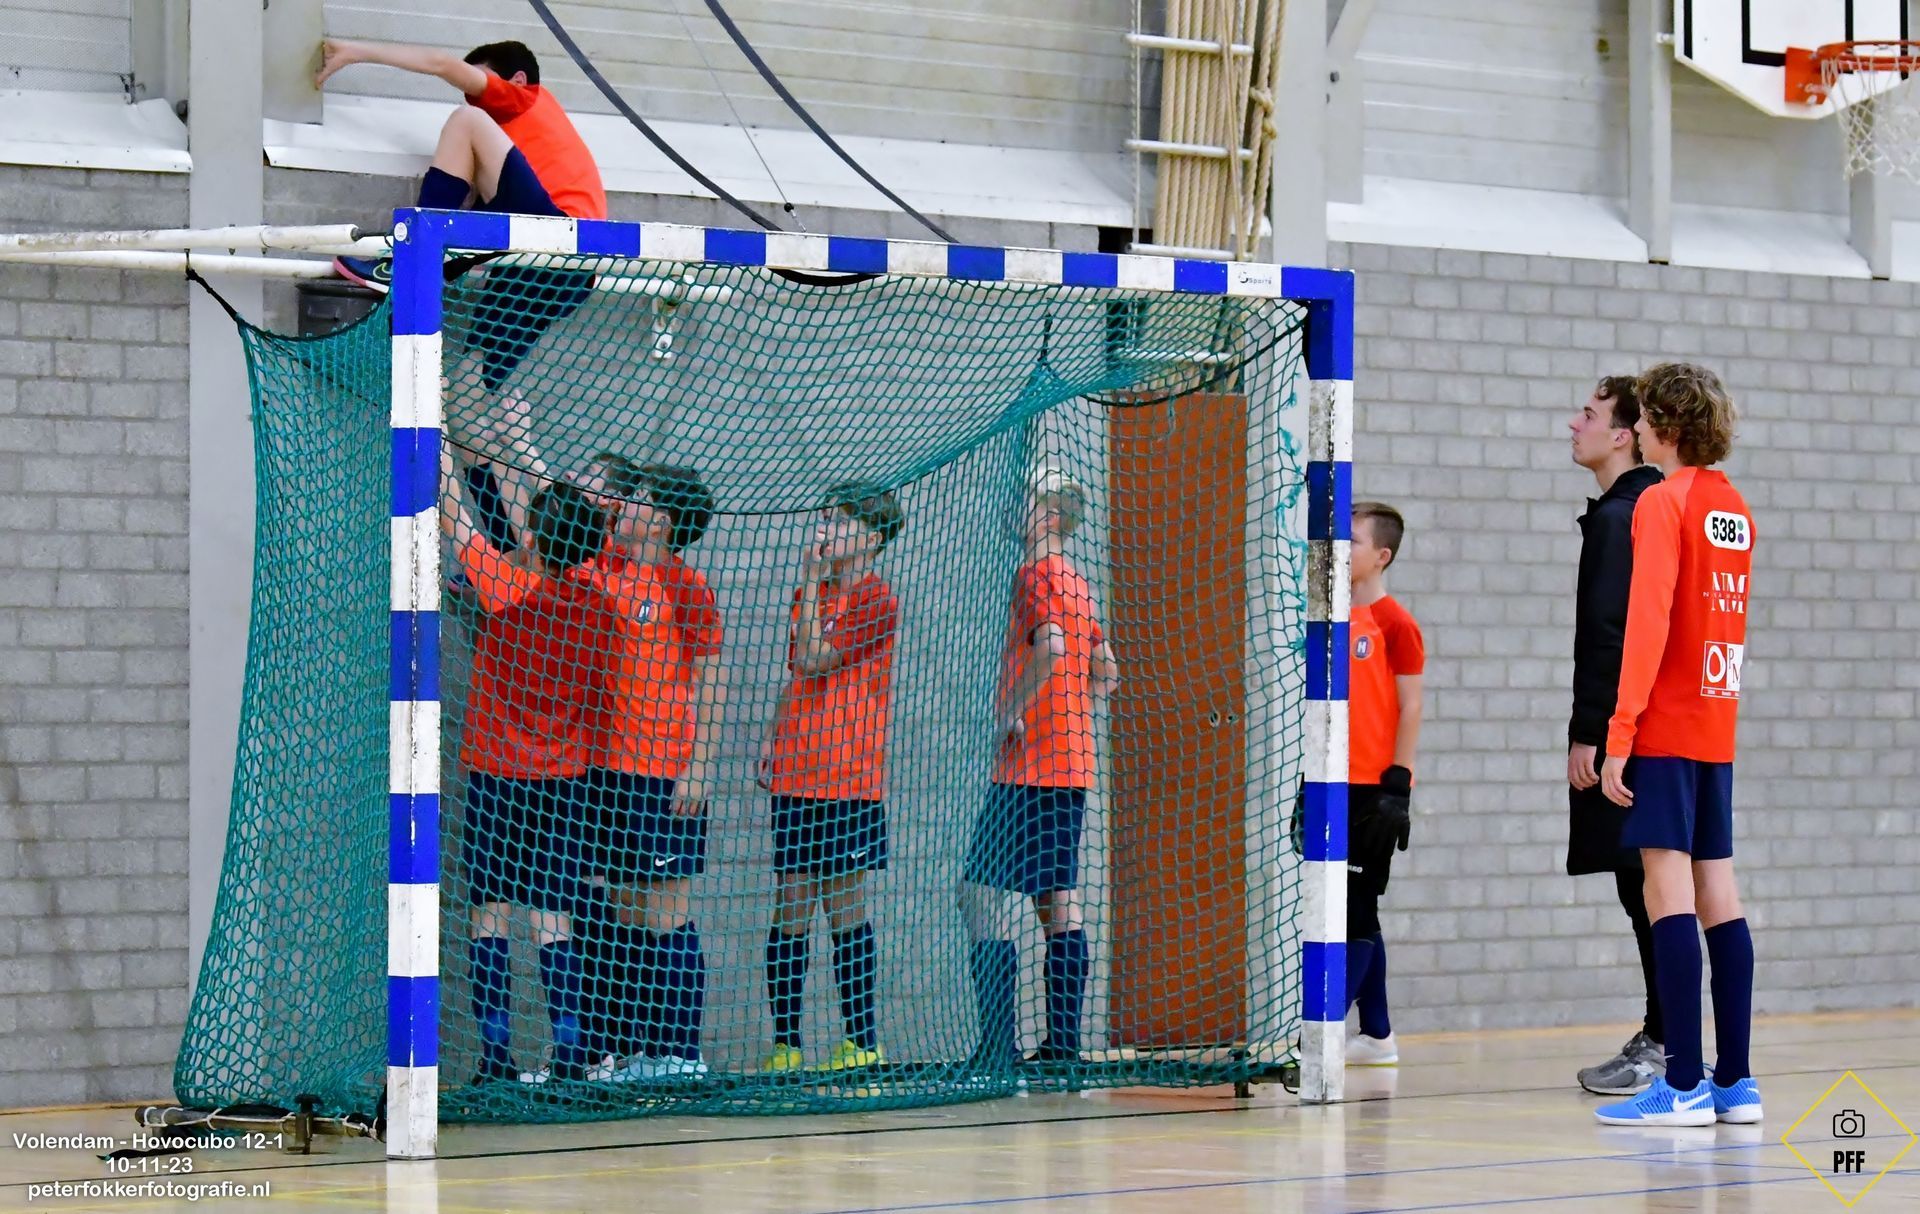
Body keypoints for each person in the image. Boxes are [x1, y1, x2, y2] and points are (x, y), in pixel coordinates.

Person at [316, 38, 605, 549]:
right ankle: (509, 555)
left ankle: (410, 262)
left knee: (465, 123)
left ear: (514, 81)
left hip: (561, 244)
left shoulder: (522, 98)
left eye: (481, 85)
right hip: (533, 272)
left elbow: (440, 63)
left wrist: (355, 52)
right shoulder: (516, 161)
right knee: (466, 408)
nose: (477, 99)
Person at [1594, 362, 1759, 1128]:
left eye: (1644, 417)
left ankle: (1684, 1085)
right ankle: (1736, 1085)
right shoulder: (1735, 507)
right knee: (1718, 893)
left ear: (1663, 426)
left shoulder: (1663, 501)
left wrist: (1619, 733)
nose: (1637, 427)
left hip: (1665, 725)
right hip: (1716, 727)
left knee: (1668, 894)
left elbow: (1648, 623)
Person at [444, 477, 620, 1084]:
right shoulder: (600, 606)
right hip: (563, 781)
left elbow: (452, 513)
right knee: (553, 918)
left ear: (535, 540)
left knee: (489, 916)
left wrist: (434, 438)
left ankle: (496, 1058)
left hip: (498, 775)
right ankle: (569, 1054)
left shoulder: (505, 587)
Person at [962, 468, 1118, 1068]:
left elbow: (1051, 647)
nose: (1012, 507)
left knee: (980, 895)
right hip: (1070, 764)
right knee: (1057, 900)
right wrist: (1071, 711)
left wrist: (1014, 711)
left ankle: (997, 1050)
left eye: (1023, 499)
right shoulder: (1077, 581)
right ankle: (1062, 1050)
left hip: (1030, 767)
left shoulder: (1033, 574)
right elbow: (1107, 672)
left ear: (1049, 514)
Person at [759, 484, 905, 1073]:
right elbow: (796, 674)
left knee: (843, 907)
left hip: (847, 779)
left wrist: (811, 582)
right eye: (823, 519)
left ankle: (861, 1045)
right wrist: (773, 738)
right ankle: (786, 1046)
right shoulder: (810, 595)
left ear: (871, 539)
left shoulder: (878, 601)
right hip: (798, 773)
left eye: (839, 521)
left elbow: (817, 658)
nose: (825, 530)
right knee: (790, 904)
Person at [1565, 377, 1668, 1097]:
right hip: (1669, 731)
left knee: (1647, 888)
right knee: (1655, 887)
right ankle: (1667, 1034)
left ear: (1625, 434)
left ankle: (1665, 1042)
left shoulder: (1621, 518)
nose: (1574, 425)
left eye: (1590, 414)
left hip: (1632, 734)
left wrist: (1589, 734)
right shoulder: (1654, 505)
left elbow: (1609, 637)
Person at [1342, 501, 1425, 1067]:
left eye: (1351, 541)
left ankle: (1323, 1029)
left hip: (1374, 788)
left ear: (1381, 556)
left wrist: (1398, 782)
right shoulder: (1334, 620)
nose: (1340, 550)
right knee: (1354, 908)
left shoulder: (1396, 624)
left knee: (1357, 908)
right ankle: (1377, 1034)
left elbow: (1410, 704)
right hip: (1333, 783)